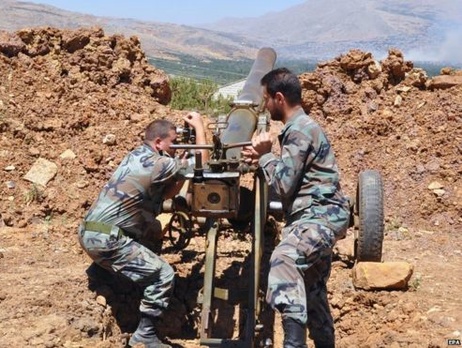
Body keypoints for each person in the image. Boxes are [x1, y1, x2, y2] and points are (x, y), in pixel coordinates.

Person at [78, 112, 208, 348]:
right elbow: (203, 166)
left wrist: (179, 166)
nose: (175, 147)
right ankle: (145, 335)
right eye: (173, 143)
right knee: (163, 275)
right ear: (159, 142)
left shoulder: (137, 156)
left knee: (152, 231)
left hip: (90, 234)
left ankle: (104, 275)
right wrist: (200, 127)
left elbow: (165, 193)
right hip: (107, 241)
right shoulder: (160, 163)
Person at [242, 68, 350, 348]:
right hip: (319, 216)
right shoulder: (302, 128)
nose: (265, 105)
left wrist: (265, 157)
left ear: (279, 98)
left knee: (284, 261)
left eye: (266, 99)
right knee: (312, 292)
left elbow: (282, 186)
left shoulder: (300, 130)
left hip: (319, 215)